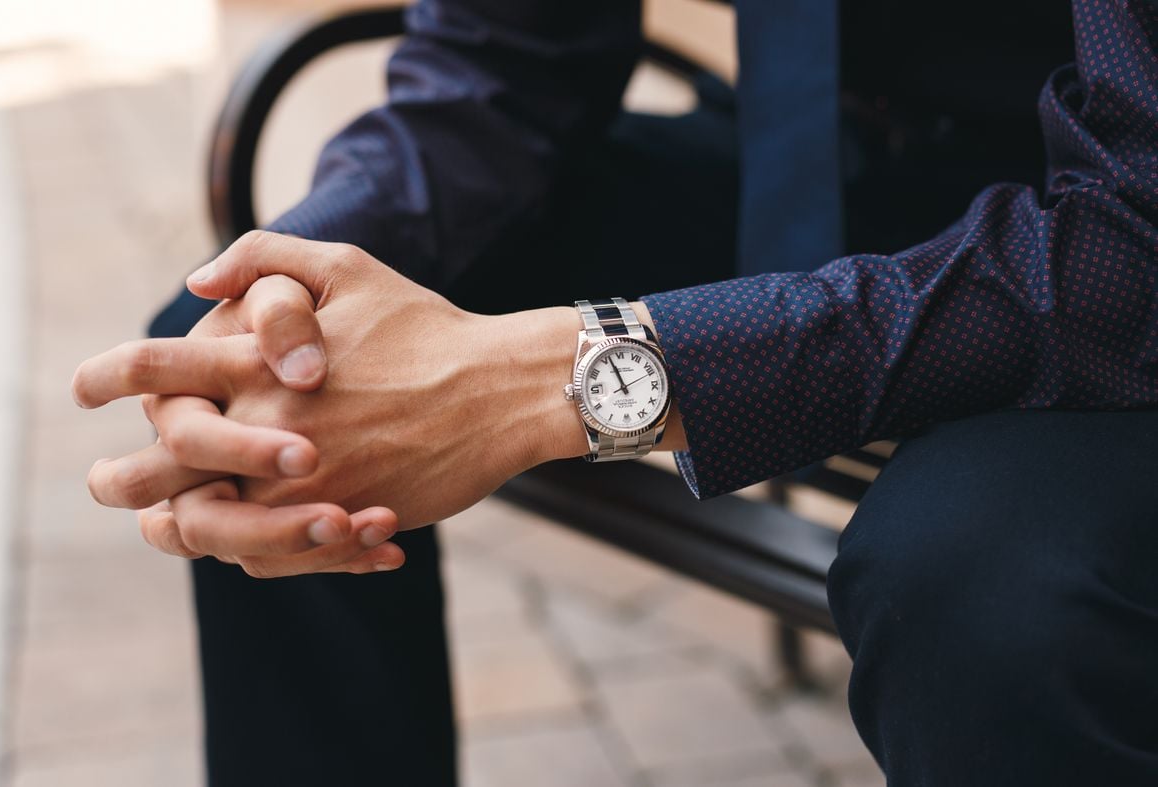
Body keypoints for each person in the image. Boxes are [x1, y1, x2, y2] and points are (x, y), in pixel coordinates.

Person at [72, 0, 1158, 784]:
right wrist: (292, 287)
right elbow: (503, 59)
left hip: (1105, 225)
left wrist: (566, 376)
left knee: (976, 585)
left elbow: (1131, 243)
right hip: (820, 161)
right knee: (251, 380)